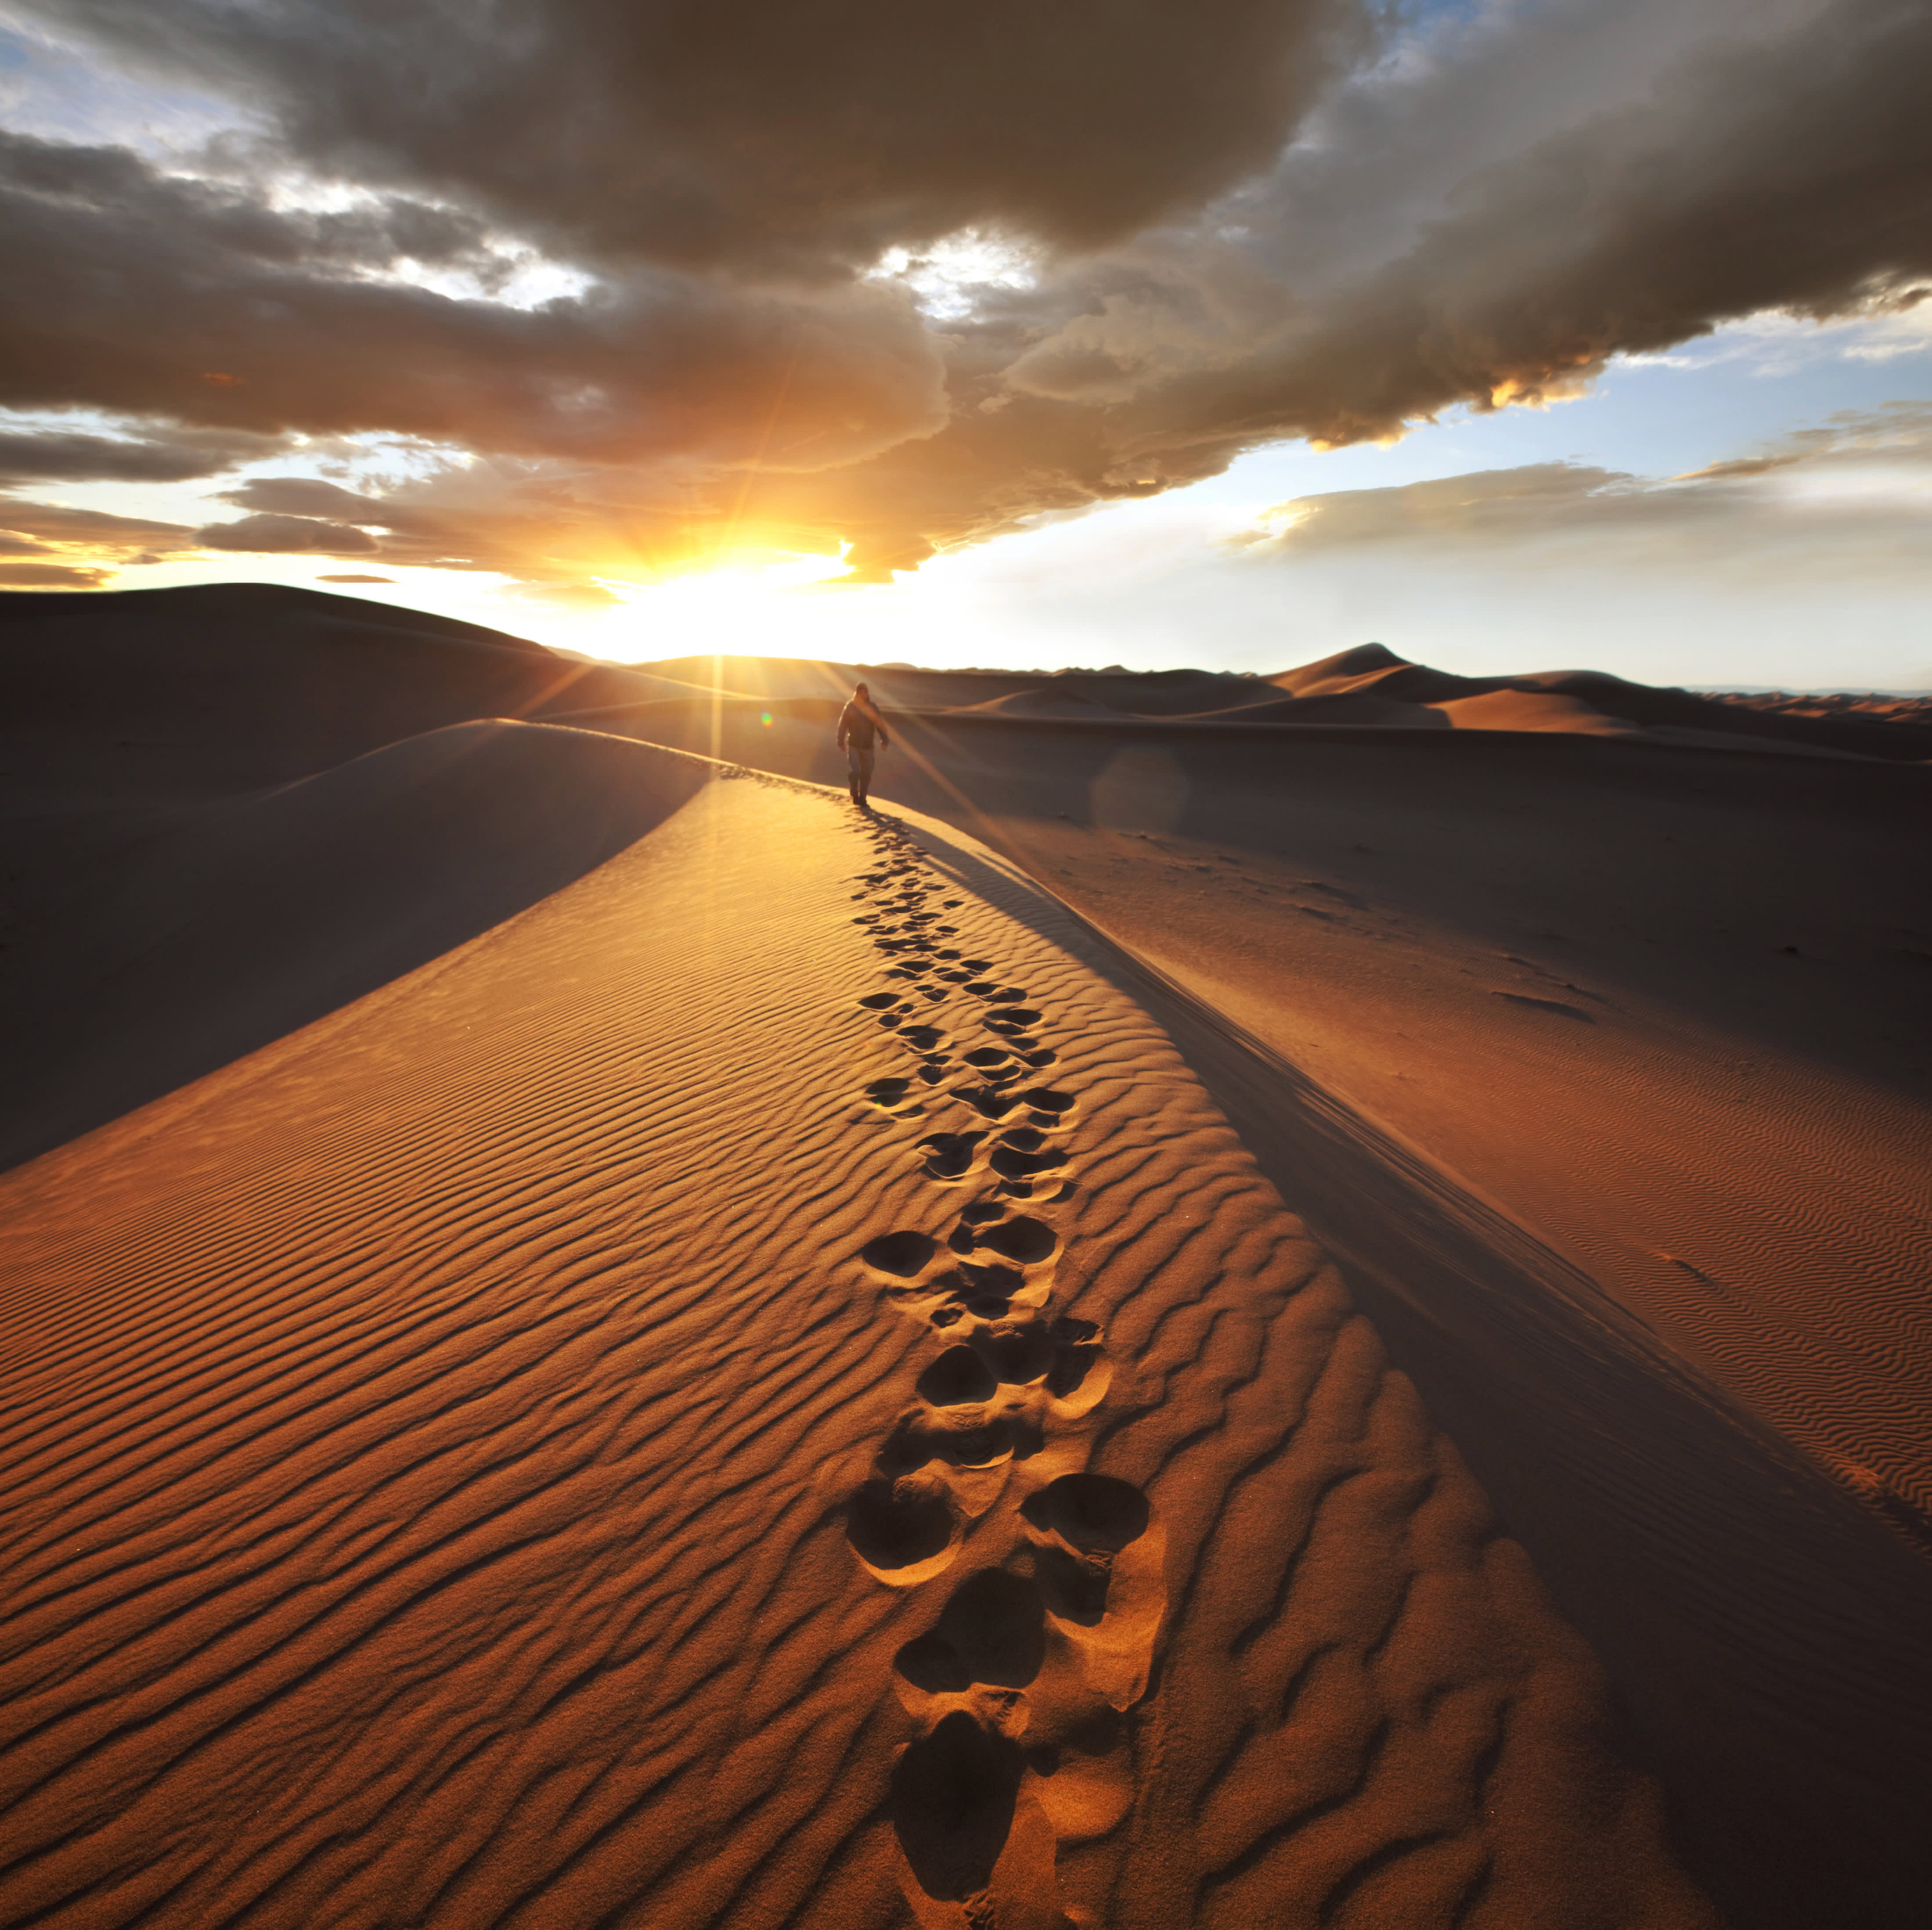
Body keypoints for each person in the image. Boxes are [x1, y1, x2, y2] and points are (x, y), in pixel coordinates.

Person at [836, 681, 890, 808]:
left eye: (864, 693)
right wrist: (840, 741)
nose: (862, 695)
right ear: (856, 693)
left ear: (867, 694)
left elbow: (880, 724)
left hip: (868, 747)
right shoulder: (851, 707)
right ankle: (854, 793)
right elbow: (843, 725)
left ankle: (863, 799)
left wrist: (885, 740)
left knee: (867, 773)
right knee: (855, 771)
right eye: (860, 692)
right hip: (854, 745)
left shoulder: (873, 707)